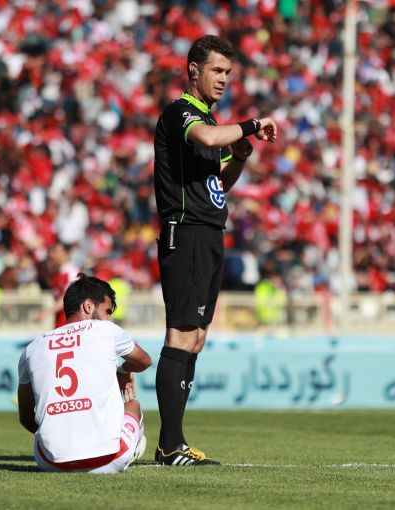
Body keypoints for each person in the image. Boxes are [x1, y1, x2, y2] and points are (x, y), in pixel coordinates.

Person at [152, 35, 278, 466]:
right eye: (217, 70)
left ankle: (174, 443)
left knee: (197, 339)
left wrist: (238, 157)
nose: (224, 79)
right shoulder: (181, 113)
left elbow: (216, 185)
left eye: (228, 72)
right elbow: (206, 137)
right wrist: (251, 125)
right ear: (194, 70)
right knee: (181, 334)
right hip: (185, 231)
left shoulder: (208, 118)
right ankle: (170, 445)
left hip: (208, 232)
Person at [17, 274, 152, 474]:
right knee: (133, 406)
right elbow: (145, 361)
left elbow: (26, 417)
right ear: (88, 306)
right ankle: (131, 449)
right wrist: (124, 370)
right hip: (108, 460)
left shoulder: (32, 348)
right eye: (107, 311)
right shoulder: (107, 330)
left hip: (50, 462)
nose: (109, 318)